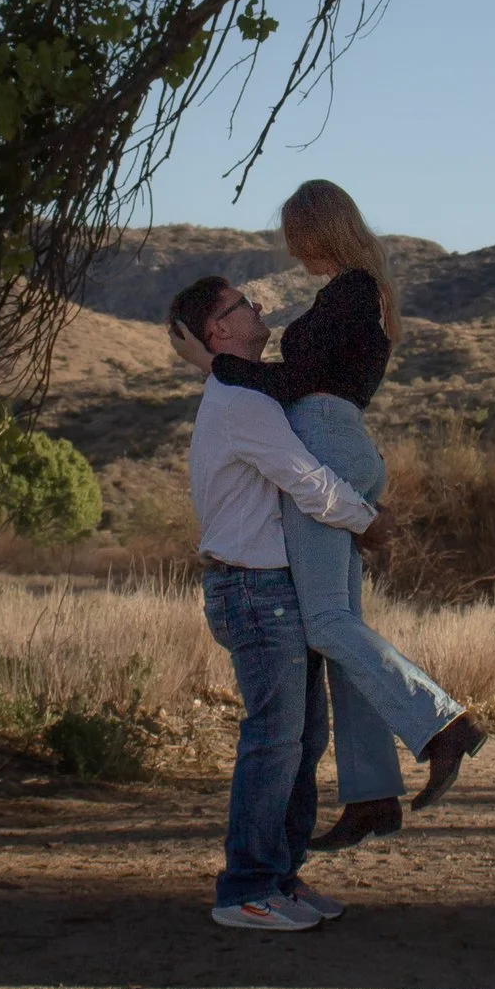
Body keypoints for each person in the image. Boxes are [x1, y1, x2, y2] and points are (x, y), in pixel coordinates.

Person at [171, 203, 485, 854]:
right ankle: (372, 792)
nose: (286, 258)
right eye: (245, 304)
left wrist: (215, 364)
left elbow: (299, 391)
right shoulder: (343, 301)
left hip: (331, 451)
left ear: (319, 231)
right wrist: (215, 365)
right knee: (340, 629)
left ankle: (440, 725)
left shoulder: (348, 294)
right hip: (335, 448)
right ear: (218, 327)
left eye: (294, 237)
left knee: (329, 625)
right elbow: (294, 391)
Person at [172, 285, 380, 933]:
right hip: (255, 591)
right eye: (245, 304)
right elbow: (306, 482)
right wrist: (368, 521)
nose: (261, 308)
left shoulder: (243, 394)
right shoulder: (241, 405)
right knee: (274, 741)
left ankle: (279, 878)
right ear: (218, 329)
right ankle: (246, 888)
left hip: (270, 590)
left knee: (300, 739)